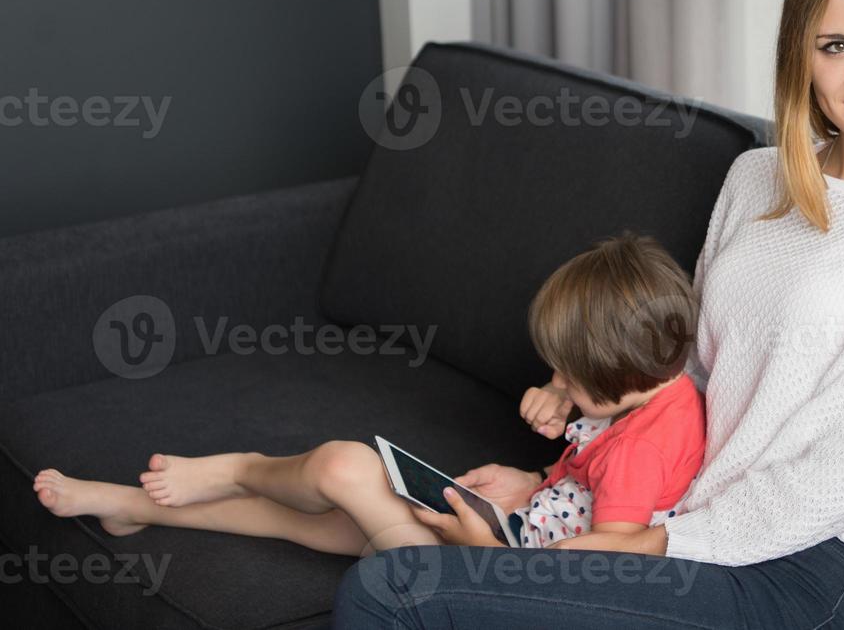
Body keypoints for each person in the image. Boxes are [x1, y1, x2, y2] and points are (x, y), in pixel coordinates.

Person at [333, 0, 844, 629]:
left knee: (391, 590)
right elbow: (679, 375)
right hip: (681, 511)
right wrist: (554, 486)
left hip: (814, 567)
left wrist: (647, 544)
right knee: (405, 553)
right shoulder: (756, 178)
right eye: (836, 45)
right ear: (801, 57)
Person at [33, 233, 706, 558]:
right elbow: (585, 483)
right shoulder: (647, 393)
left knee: (339, 466)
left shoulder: (645, 445)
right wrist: (532, 477)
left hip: (492, 573)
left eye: (569, 377)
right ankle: (131, 508)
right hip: (509, 529)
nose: (557, 385)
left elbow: (617, 547)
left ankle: (239, 465)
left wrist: (488, 550)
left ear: (621, 373)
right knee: (310, 519)